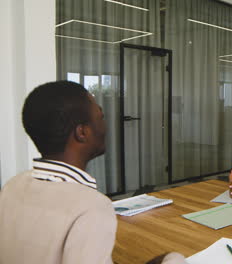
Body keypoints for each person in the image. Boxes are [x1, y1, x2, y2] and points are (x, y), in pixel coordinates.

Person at [0, 81, 186, 264]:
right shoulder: (90, 207)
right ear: (82, 132)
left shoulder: (12, 186)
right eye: (101, 116)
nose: (105, 126)